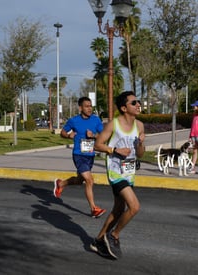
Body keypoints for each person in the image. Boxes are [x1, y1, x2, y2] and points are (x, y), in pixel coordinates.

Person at [90, 91, 145, 259]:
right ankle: (113, 236)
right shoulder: (113, 125)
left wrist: (140, 144)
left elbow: (141, 154)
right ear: (124, 108)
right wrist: (114, 150)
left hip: (129, 172)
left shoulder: (140, 126)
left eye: (138, 102)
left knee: (119, 208)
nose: (138, 105)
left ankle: (98, 240)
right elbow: (97, 145)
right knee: (134, 207)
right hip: (115, 171)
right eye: (134, 102)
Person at [53, 96, 106, 218]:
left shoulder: (96, 120)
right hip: (78, 155)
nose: (89, 108)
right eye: (86, 106)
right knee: (89, 180)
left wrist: (93, 135)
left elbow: (103, 136)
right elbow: (63, 132)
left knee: (79, 180)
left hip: (90, 155)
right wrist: (68, 136)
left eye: (90, 106)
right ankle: (94, 209)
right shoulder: (74, 120)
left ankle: (61, 184)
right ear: (80, 108)